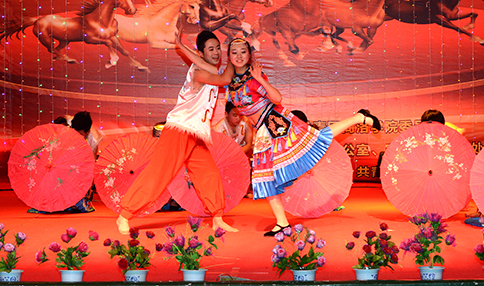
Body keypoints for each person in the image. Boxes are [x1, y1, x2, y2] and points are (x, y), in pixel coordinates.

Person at [176, 35, 381, 236]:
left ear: (249, 55)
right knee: (266, 176)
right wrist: (181, 46)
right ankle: (282, 222)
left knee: (314, 141)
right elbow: (202, 63)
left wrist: (259, 79)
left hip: (275, 122)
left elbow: (277, 98)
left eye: (243, 52)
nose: (239, 56)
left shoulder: (255, 76)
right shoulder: (230, 80)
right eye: (234, 52)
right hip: (261, 129)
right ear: (228, 56)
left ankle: (359, 118)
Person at [116, 31, 238, 235]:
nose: (216, 52)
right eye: (211, 49)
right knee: (159, 173)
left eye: (218, 48)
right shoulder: (198, 72)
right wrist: (234, 57)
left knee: (208, 173)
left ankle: (217, 218)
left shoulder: (210, 69)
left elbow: (220, 74)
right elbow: (225, 78)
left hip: (196, 134)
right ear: (201, 53)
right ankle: (125, 214)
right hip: (179, 131)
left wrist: (182, 46)